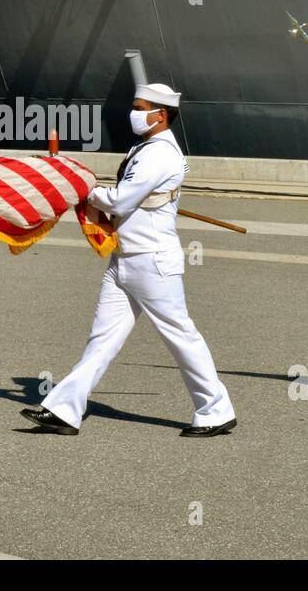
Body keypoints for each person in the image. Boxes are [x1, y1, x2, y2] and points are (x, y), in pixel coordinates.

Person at [21, 83, 237, 437]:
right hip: (125, 258)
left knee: (180, 336)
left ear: (160, 114)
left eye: (140, 107)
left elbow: (120, 201)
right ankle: (64, 409)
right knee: (102, 339)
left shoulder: (160, 153)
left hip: (152, 261)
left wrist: (82, 190)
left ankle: (215, 410)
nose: (133, 113)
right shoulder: (146, 147)